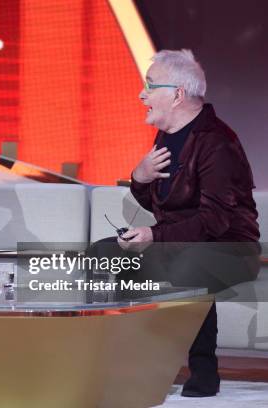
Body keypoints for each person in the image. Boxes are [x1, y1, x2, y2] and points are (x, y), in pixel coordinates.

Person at [93, 49, 260, 397]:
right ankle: (129, 364)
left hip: (228, 248)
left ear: (178, 94)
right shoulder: (168, 136)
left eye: (150, 86)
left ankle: (203, 370)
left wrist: (155, 236)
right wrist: (139, 177)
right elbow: (159, 203)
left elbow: (215, 221)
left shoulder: (217, 142)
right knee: (105, 254)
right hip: (178, 241)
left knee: (191, 264)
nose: (142, 95)